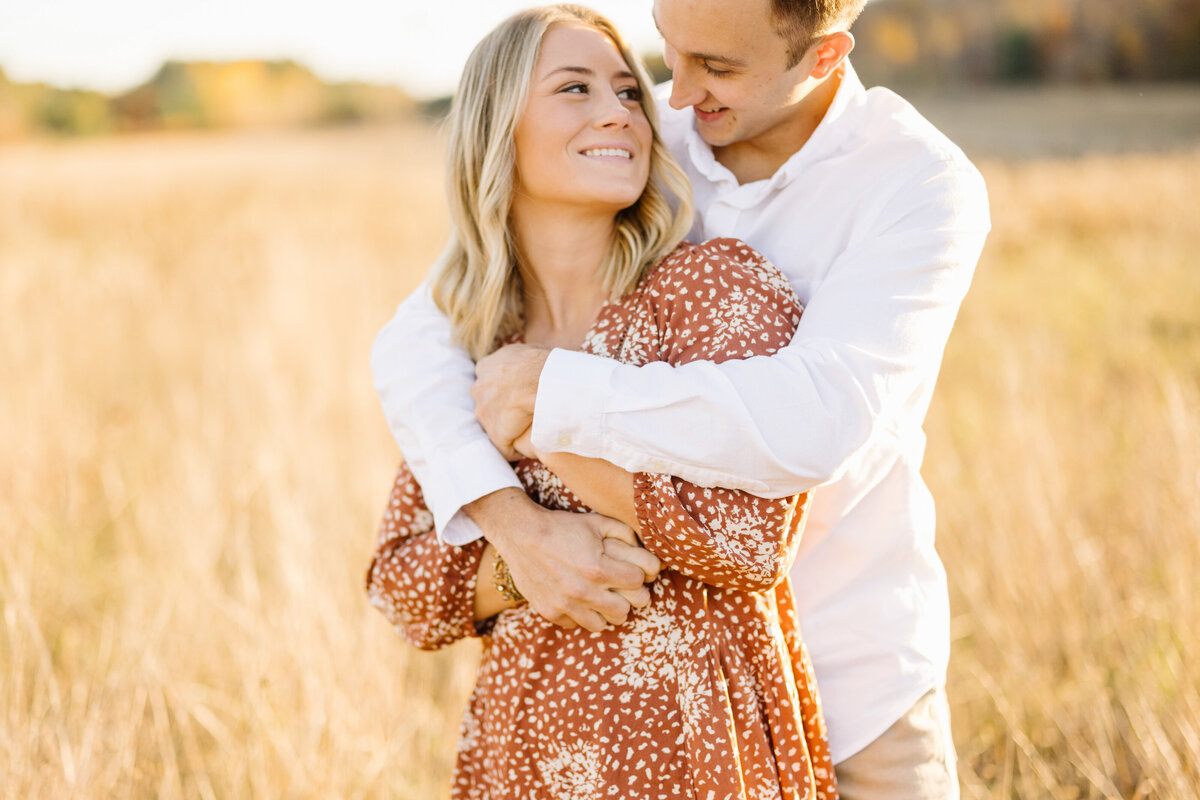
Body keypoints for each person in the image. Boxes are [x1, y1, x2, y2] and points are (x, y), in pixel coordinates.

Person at [372, 0, 991, 796]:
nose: (673, 96)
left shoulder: (913, 184)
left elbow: (813, 423)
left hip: (846, 671)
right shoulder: (641, 133)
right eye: (667, 53)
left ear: (824, 57)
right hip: (546, 740)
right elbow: (415, 343)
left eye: (718, 67)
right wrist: (520, 534)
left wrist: (548, 409)